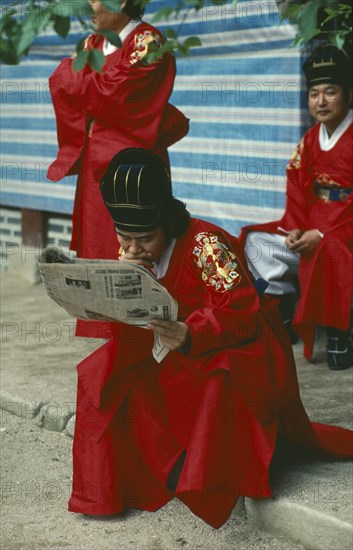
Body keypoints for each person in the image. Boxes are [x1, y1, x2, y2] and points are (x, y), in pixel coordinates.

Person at [68, 147, 353, 529]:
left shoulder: (206, 244)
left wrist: (192, 332)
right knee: (102, 372)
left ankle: (205, 474)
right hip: (173, 339)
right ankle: (123, 481)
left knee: (222, 372)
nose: (132, 248)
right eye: (124, 236)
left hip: (240, 341)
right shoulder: (131, 249)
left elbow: (241, 311)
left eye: (144, 239)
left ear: (167, 222)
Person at [47, 0, 189, 262]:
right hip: (95, 163)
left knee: (136, 245)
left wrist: (69, 74)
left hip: (132, 165)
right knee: (96, 240)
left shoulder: (148, 42)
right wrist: (78, 81)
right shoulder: (93, 44)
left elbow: (115, 96)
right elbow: (87, 93)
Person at [241, 43, 353, 370]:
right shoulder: (309, 140)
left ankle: (337, 333)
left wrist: (321, 233)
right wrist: (296, 229)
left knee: (329, 249)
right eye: (314, 93)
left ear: (347, 94)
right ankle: (285, 314)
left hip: (344, 228)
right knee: (258, 242)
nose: (320, 101)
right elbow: (298, 187)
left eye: (330, 92)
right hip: (312, 222)